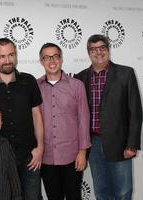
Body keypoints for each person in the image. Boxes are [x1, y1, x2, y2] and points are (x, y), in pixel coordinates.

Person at [0, 38, 44, 200]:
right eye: (2, 56)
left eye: (11, 55)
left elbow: (37, 116)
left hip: (29, 156)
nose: (7, 60)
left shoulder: (29, 81)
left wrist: (40, 148)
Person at [74, 34, 143, 200]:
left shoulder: (126, 73)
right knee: (101, 191)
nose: (98, 52)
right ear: (88, 52)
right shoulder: (80, 78)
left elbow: (135, 112)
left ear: (108, 49)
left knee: (123, 192)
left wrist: (132, 144)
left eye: (102, 48)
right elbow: (77, 115)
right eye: (93, 49)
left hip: (120, 143)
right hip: (93, 143)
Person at [37, 43, 91, 200]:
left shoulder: (77, 86)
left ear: (61, 59)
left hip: (72, 155)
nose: (51, 61)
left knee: (74, 196)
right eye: (46, 57)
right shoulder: (35, 87)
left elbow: (83, 118)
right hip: (46, 156)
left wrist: (82, 152)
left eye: (55, 56)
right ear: (41, 61)